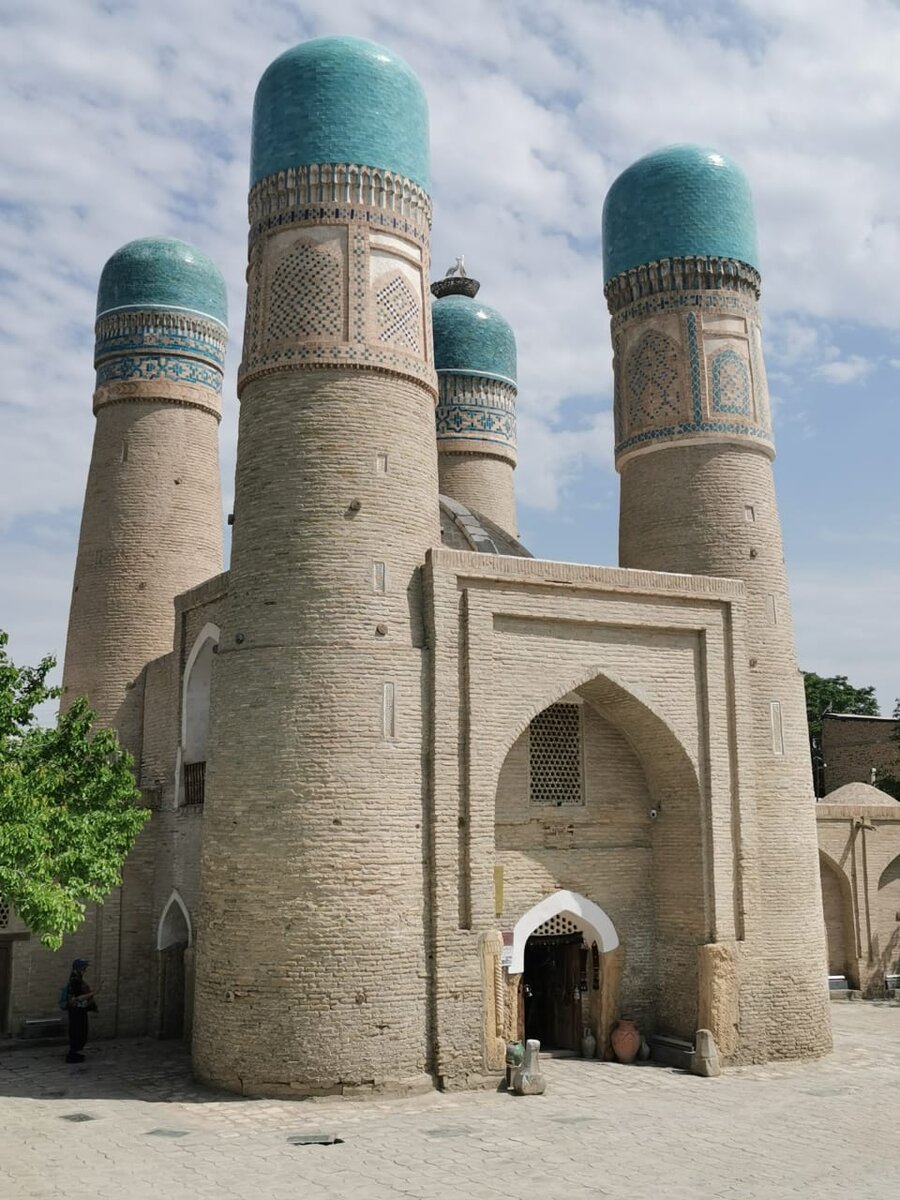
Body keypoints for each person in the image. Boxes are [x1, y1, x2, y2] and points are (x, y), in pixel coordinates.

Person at [64, 959, 95, 1064]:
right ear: (79, 969)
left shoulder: (77, 979)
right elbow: (78, 998)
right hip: (76, 1010)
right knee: (78, 1031)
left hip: (79, 1010)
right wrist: (94, 993)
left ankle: (75, 1053)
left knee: (80, 1031)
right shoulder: (75, 981)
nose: (85, 970)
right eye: (83, 968)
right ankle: (72, 1055)